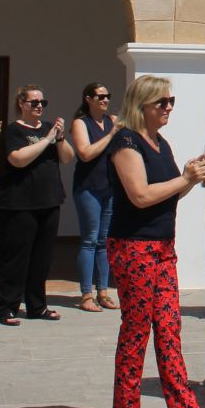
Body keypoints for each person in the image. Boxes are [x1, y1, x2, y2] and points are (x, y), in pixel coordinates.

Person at [107, 75, 205, 408]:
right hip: (134, 247)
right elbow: (141, 195)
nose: (169, 108)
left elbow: (169, 192)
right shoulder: (125, 141)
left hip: (161, 246)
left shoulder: (158, 142)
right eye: (162, 102)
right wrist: (186, 178)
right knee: (137, 330)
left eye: (171, 101)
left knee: (169, 328)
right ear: (141, 104)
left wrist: (195, 175)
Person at [0, 85, 73, 325]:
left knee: (42, 258)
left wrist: (59, 138)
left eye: (42, 103)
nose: (39, 106)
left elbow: (67, 157)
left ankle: (37, 306)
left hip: (48, 202)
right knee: (16, 258)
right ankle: (7, 307)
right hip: (18, 204)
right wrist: (47, 140)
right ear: (21, 104)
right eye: (34, 102)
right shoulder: (13, 131)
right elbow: (18, 159)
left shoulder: (50, 129)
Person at [71, 81, 120, 313]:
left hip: (110, 188)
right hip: (88, 188)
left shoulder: (112, 120)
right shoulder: (81, 123)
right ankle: (86, 294)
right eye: (99, 96)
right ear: (87, 98)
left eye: (107, 95)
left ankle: (103, 291)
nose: (105, 100)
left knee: (105, 241)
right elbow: (85, 153)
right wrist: (112, 134)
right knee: (90, 239)